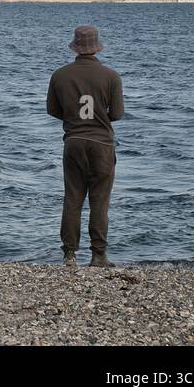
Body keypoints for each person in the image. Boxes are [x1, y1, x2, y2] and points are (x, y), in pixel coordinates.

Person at [46, 25, 124, 267]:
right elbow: (118, 113)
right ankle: (98, 255)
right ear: (96, 47)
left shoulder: (60, 75)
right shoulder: (111, 76)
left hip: (73, 142)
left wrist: (74, 119)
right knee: (99, 201)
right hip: (101, 144)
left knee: (73, 199)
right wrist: (99, 118)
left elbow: (52, 110)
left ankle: (69, 254)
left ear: (76, 47)